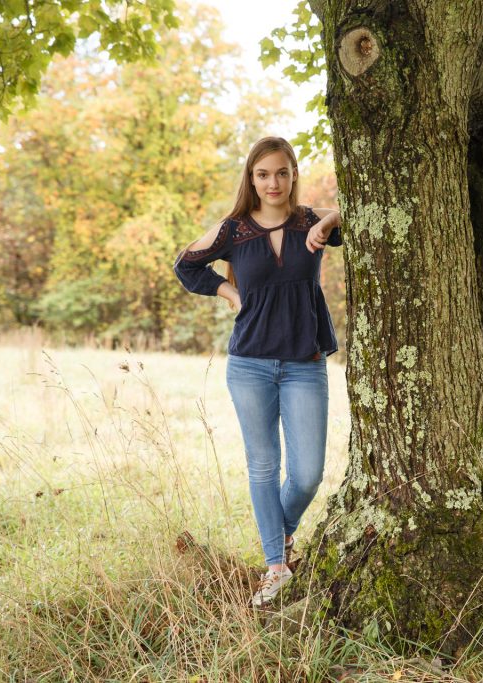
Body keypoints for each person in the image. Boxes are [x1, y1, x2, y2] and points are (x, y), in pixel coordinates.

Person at [173, 136, 342, 607]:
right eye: (263, 174)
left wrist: (329, 218)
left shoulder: (310, 223)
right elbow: (185, 266)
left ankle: (279, 537)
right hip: (249, 365)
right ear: (251, 178)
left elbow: (356, 214)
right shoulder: (234, 230)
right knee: (264, 466)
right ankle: (275, 565)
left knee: (308, 473)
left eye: (282, 173)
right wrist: (229, 292)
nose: (273, 182)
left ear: (292, 176)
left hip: (304, 364)